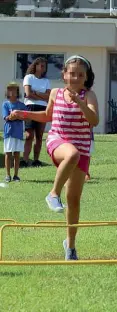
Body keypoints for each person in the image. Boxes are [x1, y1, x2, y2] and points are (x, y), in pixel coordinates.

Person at [11, 55, 99, 261]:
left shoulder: (89, 95)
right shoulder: (55, 93)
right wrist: (24, 114)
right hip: (58, 141)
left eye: (80, 75)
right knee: (71, 154)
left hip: (82, 148)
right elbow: (48, 116)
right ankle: (52, 194)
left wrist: (80, 102)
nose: (75, 78)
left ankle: (70, 245)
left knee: (74, 200)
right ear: (64, 75)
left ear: (85, 77)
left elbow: (94, 120)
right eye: (72, 74)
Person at [21, 57, 51, 167]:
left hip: (43, 109)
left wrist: (36, 93)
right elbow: (28, 94)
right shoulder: (28, 77)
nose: (43, 68)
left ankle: (36, 160)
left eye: (45, 66)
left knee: (39, 136)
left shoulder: (46, 81)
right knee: (29, 135)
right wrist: (41, 95)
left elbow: (48, 97)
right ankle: (24, 160)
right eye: (41, 65)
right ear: (36, 65)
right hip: (30, 107)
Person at [2, 82, 28, 182]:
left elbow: (26, 117)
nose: (12, 92)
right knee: (8, 154)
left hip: (18, 133)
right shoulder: (5, 104)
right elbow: (6, 118)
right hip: (9, 132)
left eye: (14, 90)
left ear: (17, 92)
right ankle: (8, 175)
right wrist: (14, 116)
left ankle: (16, 175)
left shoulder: (22, 105)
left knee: (17, 154)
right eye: (10, 90)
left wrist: (17, 116)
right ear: (7, 92)